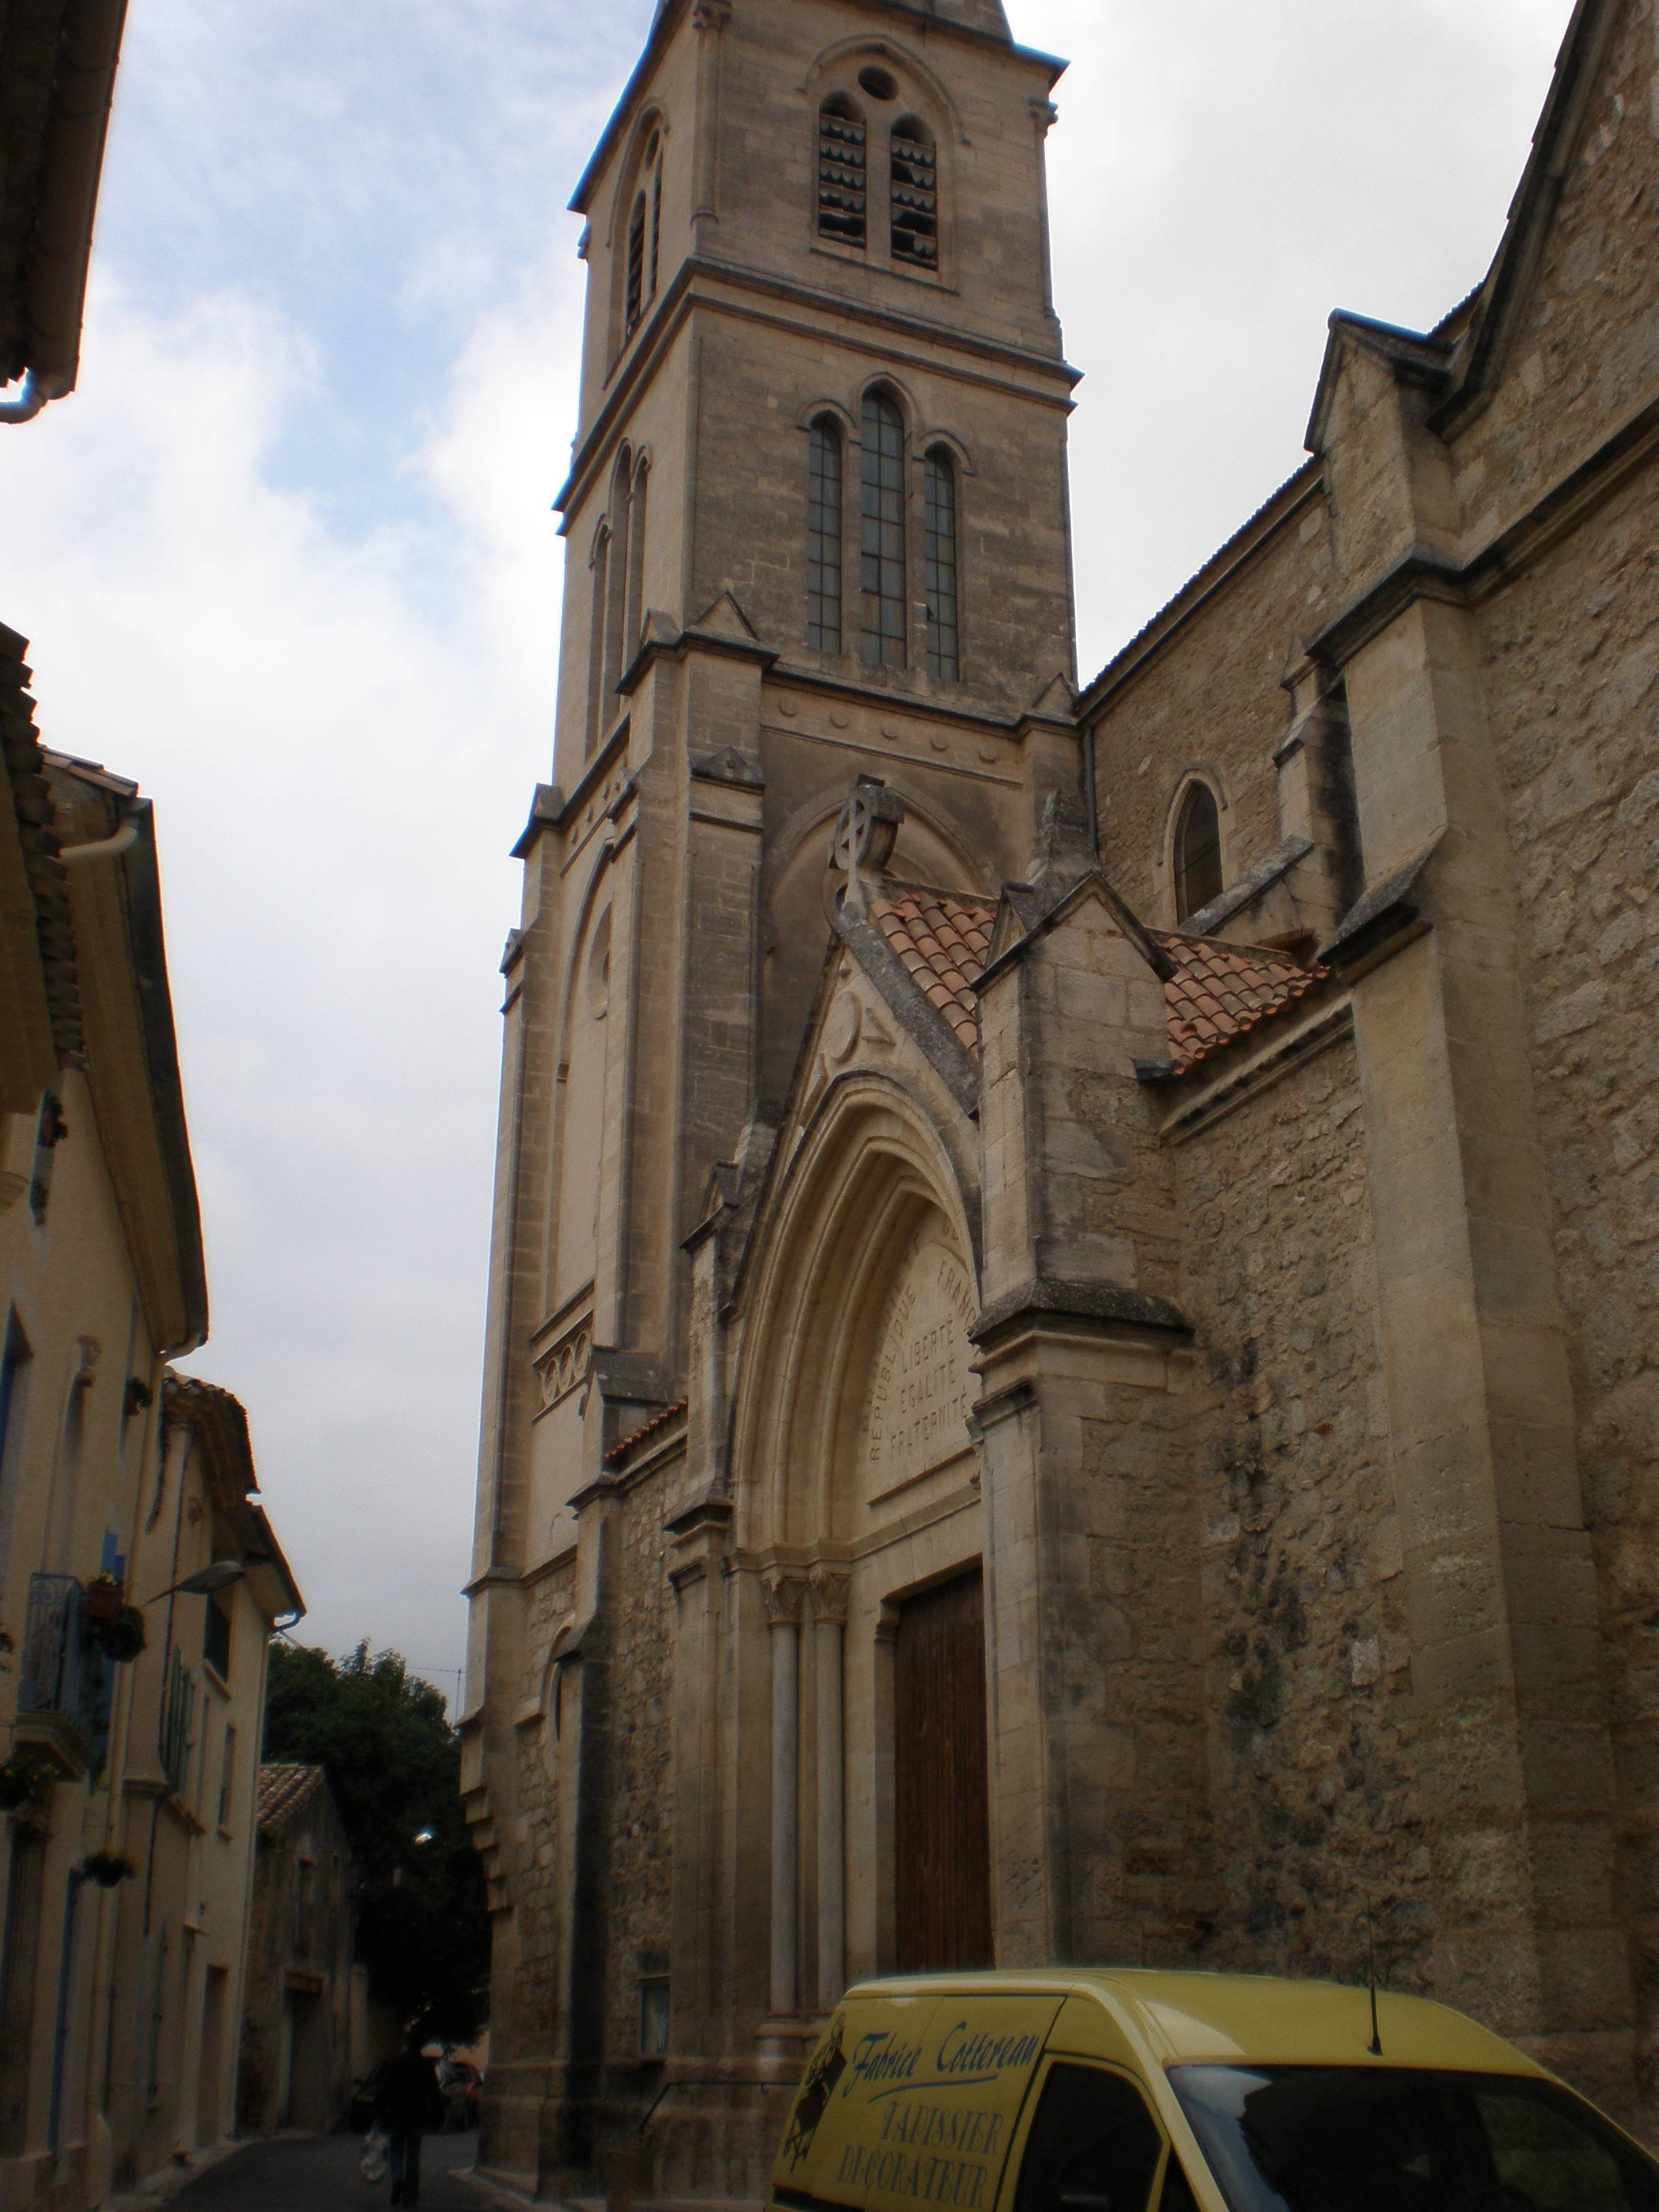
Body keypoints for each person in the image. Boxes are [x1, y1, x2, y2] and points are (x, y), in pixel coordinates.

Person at [375, 2028, 445, 2207]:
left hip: (397, 2115)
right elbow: (435, 2095)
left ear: (407, 2044)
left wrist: (382, 2112)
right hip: (417, 2116)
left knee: (396, 2151)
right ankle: (410, 2197)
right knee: (413, 2157)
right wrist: (438, 2116)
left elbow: (385, 2090)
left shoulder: (395, 2064)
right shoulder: (426, 2067)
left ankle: (397, 2179)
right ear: (421, 2045)